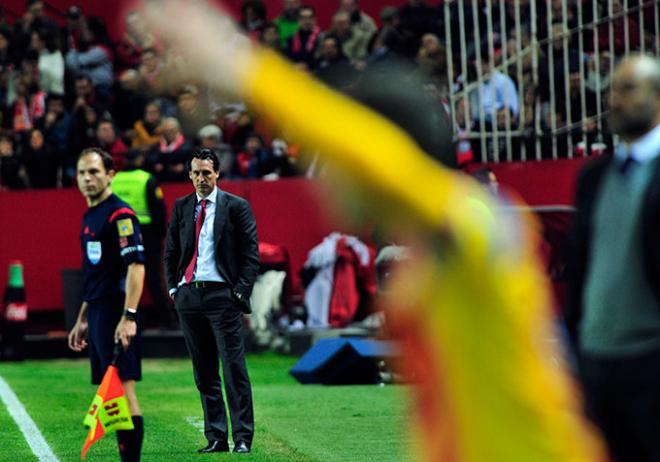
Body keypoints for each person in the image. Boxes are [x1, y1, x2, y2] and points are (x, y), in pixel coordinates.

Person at [147, 5, 604, 461]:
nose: (326, 178)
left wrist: (242, 68)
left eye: (336, 161)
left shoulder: (471, 225)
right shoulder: (444, 253)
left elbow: (387, 162)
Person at [566, 55, 660, 462]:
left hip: (652, 364)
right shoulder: (594, 178)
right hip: (597, 363)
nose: (615, 99)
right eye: (611, 90)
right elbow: (581, 269)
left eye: (628, 88)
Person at [164, 148, 259, 454]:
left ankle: (242, 437)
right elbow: (171, 252)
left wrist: (240, 293)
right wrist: (173, 289)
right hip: (189, 295)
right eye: (196, 173)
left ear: (217, 173)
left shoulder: (236, 207)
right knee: (204, 371)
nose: (201, 178)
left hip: (222, 296)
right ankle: (216, 437)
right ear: (189, 174)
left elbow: (250, 254)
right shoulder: (181, 207)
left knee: (233, 369)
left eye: (207, 172)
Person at [68, 147, 145, 462]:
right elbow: (95, 271)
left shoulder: (120, 215)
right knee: (110, 393)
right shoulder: (91, 214)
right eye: (82, 172)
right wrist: (82, 317)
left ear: (110, 174)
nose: (87, 178)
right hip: (98, 312)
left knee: (124, 393)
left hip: (116, 312)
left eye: (94, 172)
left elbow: (136, 266)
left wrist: (129, 316)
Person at [113, 149, 172, 329]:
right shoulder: (146, 179)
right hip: (147, 233)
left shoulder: (114, 181)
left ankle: (125, 319)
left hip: (120, 233)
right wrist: (161, 235)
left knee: (123, 279)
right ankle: (167, 321)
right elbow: (159, 210)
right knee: (154, 278)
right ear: (139, 158)